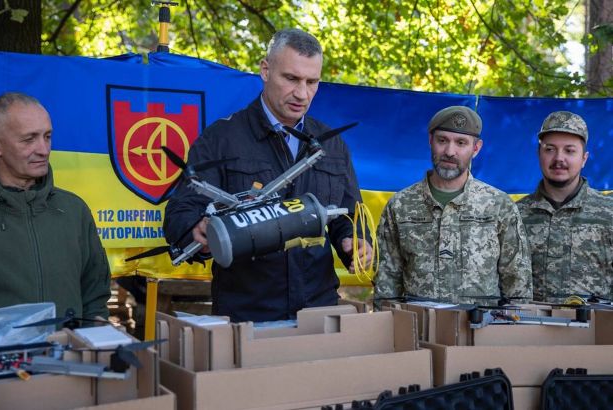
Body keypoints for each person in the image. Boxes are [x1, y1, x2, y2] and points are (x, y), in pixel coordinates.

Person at [164, 28, 372, 322]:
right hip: (247, 314)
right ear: (265, 70)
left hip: (319, 310)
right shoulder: (221, 138)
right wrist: (195, 229)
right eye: (291, 78)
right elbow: (181, 211)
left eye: (312, 82)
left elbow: (347, 215)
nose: (302, 93)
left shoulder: (332, 144)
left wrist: (355, 243)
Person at [0, 92, 111, 319]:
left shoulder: (74, 210)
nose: (44, 149)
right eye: (29, 139)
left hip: (67, 343)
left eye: (47, 136)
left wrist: (90, 334)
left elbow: (95, 296)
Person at [373, 106, 532, 307]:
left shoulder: (499, 205)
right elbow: (386, 282)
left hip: (480, 323)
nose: (450, 152)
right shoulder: (400, 205)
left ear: (476, 148)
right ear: (430, 141)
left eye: (461, 143)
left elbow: (518, 283)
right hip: (419, 323)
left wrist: (513, 323)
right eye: (442, 140)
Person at [517, 111, 613, 302]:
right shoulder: (515, 214)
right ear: (539, 154)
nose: (559, 158)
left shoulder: (609, 213)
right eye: (550, 149)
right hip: (529, 320)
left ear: (584, 158)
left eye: (569, 151)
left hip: (595, 320)